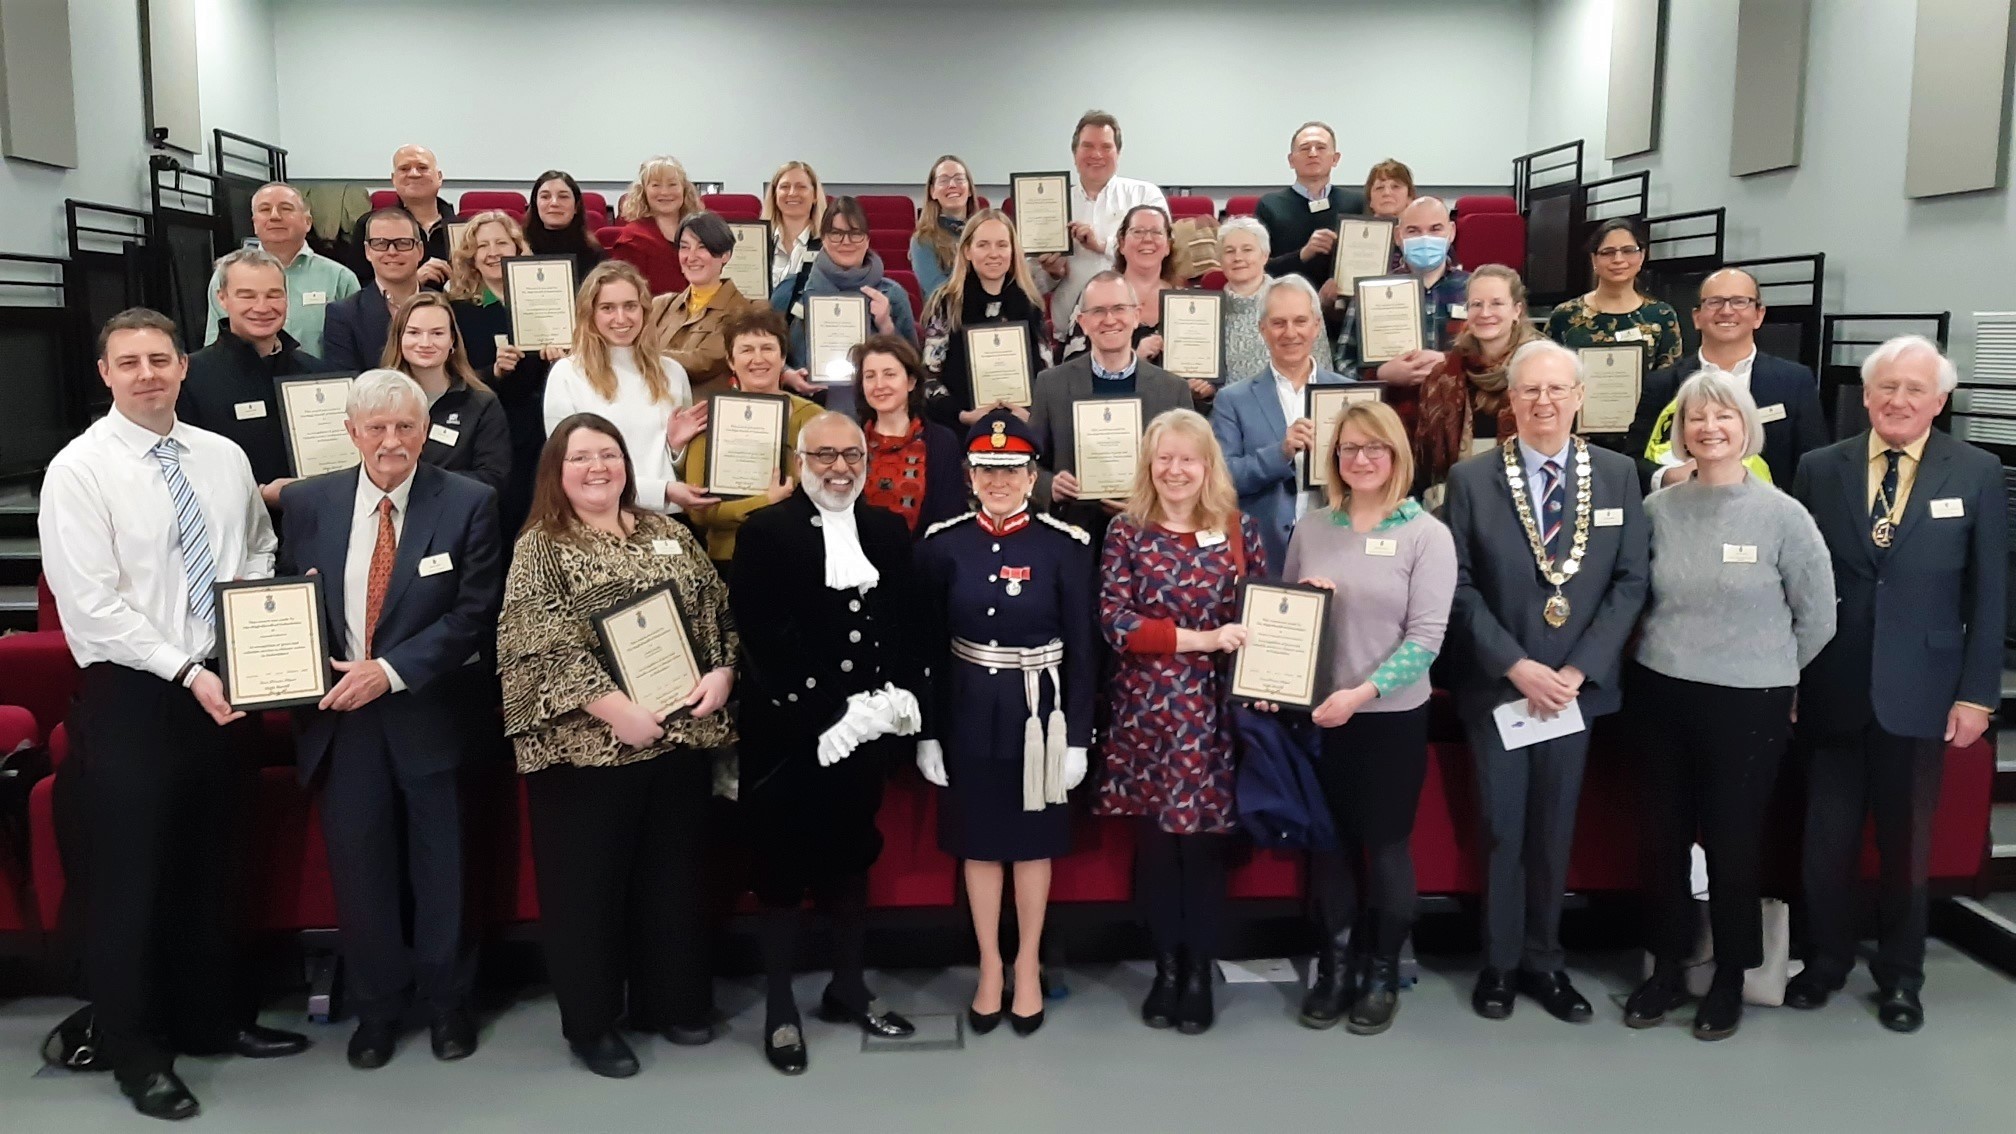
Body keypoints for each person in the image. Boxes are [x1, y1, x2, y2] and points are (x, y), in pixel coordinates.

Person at [40, 309, 310, 1120]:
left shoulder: (222, 456)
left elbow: (259, 545)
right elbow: (90, 607)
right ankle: (133, 1048)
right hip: (138, 695)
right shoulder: (79, 470)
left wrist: (251, 629)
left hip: (229, 681)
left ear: (183, 367)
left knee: (212, 863)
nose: (148, 373)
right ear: (106, 374)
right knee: (134, 883)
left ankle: (212, 1020)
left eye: (161, 358)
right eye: (130, 362)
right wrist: (186, 669)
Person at [497, 413, 737, 1078]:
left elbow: (716, 610)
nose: (597, 467)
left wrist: (722, 672)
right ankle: (594, 1023)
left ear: (627, 464)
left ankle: (674, 1001)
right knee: (588, 891)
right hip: (588, 751)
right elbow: (535, 643)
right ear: (557, 470)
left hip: (678, 739)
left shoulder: (666, 532)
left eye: (608, 454)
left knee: (673, 880)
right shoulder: (540, 545)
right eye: (581, 458)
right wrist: (613, 709)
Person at [277, 369, 503, 1069]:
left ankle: (446, 1005)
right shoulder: (309, 503)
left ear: (424, 430)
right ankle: (376, 1010)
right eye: (375, 428)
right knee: (361, 869)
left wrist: (390, 671)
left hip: (425, 710)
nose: (391, 441)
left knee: (443, 869)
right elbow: (283, 602)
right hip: (340, 717)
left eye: (405, 426)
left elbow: (473, 614)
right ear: (350, 433)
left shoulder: (468, 501)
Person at [1787, 335, 2006, 1034]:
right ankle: (1825, 962)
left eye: (1915, 389)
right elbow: (1796, 582)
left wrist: (1978, 694)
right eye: (1886, 387)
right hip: (1831, 682)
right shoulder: (1821, 468)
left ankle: (1901, 976)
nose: (1898, 400)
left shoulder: (1975, 471)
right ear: (1867, 394)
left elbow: (1992, 591)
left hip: (1925, 689)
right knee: (1826, 842)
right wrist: (1789, 677)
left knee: (1908, 845)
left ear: (1939, 401)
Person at [1622, 371, 1836, 1041]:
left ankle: (1730, 977)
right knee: (1663, 840)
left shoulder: (1782, 514)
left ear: (1747, 429)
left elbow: (1819, 616)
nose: (1709, 429)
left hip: (1751, 702)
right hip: (1661, 691)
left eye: (1724, 418)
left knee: (1733, 843)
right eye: (1695, 419)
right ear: (1681, 431)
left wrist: (1774, 670)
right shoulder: (1659, 510)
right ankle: (1664, 971)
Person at [1444, 340, 1648, 1024]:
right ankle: (1499, 966)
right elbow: (1461, 587)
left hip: (1573, 691)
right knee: (1502, 830)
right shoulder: (1472, 480)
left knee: (1554, 831)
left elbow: (1630, 582)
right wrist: (1516, 665)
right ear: (1511, 399)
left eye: (1557, 390)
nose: (1544, 402)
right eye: (1530, 391)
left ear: (1580, 397)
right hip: (1502, 687)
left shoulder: (1619, 476)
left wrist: (1575, 669)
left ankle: (1545, 962)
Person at [730, 412, 928, 1075]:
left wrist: (894, 697)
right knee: (782, 871)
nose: (839, 467)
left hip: (865, 731)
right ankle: (781, 1007)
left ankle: (849, 988)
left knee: (850, 858)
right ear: (799, 461)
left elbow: (903, 623)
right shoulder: (765, 531)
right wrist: (823, 711)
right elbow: (761, 638)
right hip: (792, 736)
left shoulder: (886, 529)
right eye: (825, 456)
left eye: (852, 454)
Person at [915, 411, 1095, 1036]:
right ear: (969, 475)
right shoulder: (943, 544)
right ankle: (989, 965)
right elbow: (929, 649)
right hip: (968, 710)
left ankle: (1027, 965)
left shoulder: (1063, 546)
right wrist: (929, 731)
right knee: (979, 842)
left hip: (1038, 715)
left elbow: (1083, 649)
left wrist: (1077, 736)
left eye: (1011, 469)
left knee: (1032, 845)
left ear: (1032, 475)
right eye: (987, 469)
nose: (999, 480)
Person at [1279, 399, 1455, 1036]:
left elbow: (1427, 638)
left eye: (1374, 447)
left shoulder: (1425, 533)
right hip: (1319, 718)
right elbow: (1289, 621)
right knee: (1327, 851)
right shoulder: (1312, 527)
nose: (1361, 458)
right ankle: (1333, 967)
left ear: (1397, 455)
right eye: (1349, 448)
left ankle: (1380, 970)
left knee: (1384, 848)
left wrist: (1362, 693)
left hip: (1388, 719)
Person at [1096, 409, 1264, 1036]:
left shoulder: (1240, 530)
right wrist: (1204, 637)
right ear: (1148, 464)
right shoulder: (1125, 533)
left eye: (1187, 458)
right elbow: (1116, 623)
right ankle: (1165, 969)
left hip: (1216, 716)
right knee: (1158, 851)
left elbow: (1265, 614)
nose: (1175, 470)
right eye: (1163, 458)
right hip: (1147, 714)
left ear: (1207, 465)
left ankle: (1199, 973)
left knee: (1203, 851)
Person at [1627, 267, 1829, 490]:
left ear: (1759, 315)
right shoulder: (1662, 384)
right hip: (1684, 513)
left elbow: (1814, 464)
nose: (1726, 311)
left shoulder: (1794, 381)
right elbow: (1632, 461)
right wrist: (1667, 476)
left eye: (1740, 301)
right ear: (1697, 317)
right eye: (1714, 302)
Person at [1028, 272, 1195, 542]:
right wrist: (1051, 486)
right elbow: (1029, 462)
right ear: (1082, 322)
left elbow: (1192, 467)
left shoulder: (1172, 390)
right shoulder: (1051, 385)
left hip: (1154, 537)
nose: (1109, 319)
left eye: (1119, 309)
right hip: (1074, 535)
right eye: (1098, 311)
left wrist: (1152, 498)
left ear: (1137, 314)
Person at [543, 261, 714, 515]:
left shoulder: (672, 372)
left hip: (668, 518)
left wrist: (677, 449)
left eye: (630, 306)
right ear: (590, 313)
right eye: (608, 308)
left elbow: (678, 466)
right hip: (600, 519)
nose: (621, 318)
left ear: (644, 310)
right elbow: (572, 467)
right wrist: (662, 491)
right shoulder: (567, 374)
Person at [1210, 275, 1356, 568]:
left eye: (1300, 321)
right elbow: (1222, 479)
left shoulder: (1349, 395)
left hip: (1339, 544)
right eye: (1278, 323)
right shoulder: (1232, 400)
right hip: (1264, 553)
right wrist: (1281, 453)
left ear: (1316, 326)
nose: (1290, 333)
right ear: (1262, 329)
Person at [178, 248, 328, 504]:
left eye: (274, 295)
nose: (262, 307)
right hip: (231, 531)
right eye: (247, 296)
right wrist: (257, 497)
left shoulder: (318, 375)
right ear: (222, 298)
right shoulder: (189, 378)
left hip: (312, 527)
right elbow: (184, 470)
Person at [678, 308, 823, 565]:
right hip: (730, 557)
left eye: (767, 348)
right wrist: (765, 501)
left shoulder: (814, 419)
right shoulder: (709, 419)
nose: (758, 359)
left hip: (800, 555)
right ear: (731, 361)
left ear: (783, 358)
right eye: (746, 350)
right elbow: (701, 511)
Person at [446, 210, 554, 532]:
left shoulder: (547, 301)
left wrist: (560, 362)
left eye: (501, 243)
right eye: (483, 246)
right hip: (490, 431)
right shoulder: (457, 310)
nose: (493, 252)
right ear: (471, 258)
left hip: (542, 429)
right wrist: (493, 372)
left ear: (518, 250)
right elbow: (450, 377)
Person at [1413, 266, 1545, 502]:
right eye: (1476, 304)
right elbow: (1425, 461)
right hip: (1459, 499)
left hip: (1531, 497)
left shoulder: (1544, 368)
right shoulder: (1443, 376)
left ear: (1517, 310)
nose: (1485, 313)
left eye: (1496, 303)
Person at [1037, 110, 1168, 346]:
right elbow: (1033, 286)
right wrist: (1051, 273)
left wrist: (1103, 245)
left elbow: (1163, 252)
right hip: (1071, 337)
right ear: (1074, 153)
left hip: (1137, 335)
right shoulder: (1051, 205)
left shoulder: (1145, 195)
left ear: (1118, 153)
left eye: (1106, 147)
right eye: (1087, 146)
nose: (1097, 154)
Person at [920, 209, 1051, 431]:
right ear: (967, 251)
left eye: (1002, 244)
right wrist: (962, 415)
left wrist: (1030, 414)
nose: (994, 253)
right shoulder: (947, 303)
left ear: (1013, 251)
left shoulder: (1031, 304)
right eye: (983, 245)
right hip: (963, 428)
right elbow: (929, 378)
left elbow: (1047, 374)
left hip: (1022, 427)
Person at [204, 181, 358, 355]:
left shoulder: (340, 278)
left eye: (285, 208)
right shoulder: (226, 276)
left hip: (318, 380)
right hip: (244, 379)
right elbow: (214, 343)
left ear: (307, 222)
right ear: (254, 223)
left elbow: (357, 345)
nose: (275, 216)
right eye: (264, 209)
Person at [769, 197, 917, 376]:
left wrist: (886, 327)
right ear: (823, 239)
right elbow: (767, 351)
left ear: (867, 240)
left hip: (874, 399)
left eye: (855, 233)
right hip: (807, 399)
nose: (846, 242)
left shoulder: (892, 295)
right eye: (836, 234)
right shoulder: (790, 291)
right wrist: (786, 375)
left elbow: (914, 369)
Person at [381, 293, 511, 496]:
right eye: (414, 333)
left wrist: (422, 482)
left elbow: (493, 478)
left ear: (452, 341)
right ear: (399, 338)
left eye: (437, 333)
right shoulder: (376, 401)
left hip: (455, 518)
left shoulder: (481, 404)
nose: (425, 343)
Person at [1335, 196, 1470, 386]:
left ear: (1451, 232)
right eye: (1413, 231)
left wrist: (1448, 363)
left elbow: (1495, 361)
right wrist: (1380, 375)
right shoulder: (1370, 293)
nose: (1425, 238)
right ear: (1398, 236)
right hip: (1392, 411)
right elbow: (1342, 364)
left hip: (1459, 409)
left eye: (1435, 229)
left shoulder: (1474, 290)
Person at [854, 334, 967, 535]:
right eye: (870, 376)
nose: (879, 385)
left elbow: (950, 522)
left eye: (889, 374)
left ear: (911, 382)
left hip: (924, 563)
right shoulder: (850, 441)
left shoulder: (942, 443)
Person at [1544, 217, 1684, 373]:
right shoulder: (1565, 315)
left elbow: (1670, 379)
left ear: (1642, 256)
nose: (1618, 259)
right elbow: (1547, 372)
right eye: (1607, 252)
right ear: (1594, 259)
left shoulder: (1662, 315)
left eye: (1628, 251)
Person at [648, 212, 761, 401]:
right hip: (653, 405)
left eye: (702, 248)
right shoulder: (660, 305)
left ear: (725, 255)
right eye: (684, 248)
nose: (691, 257)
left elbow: (702, 363)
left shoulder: (744, 312)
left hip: (701, 414)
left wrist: (640, 355)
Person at [1216, 217, 1336, 391]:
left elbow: (1322, 368)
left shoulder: (1297, 298)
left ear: (1265, 256)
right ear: (1220, 260)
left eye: (1247, 249)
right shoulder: (1209, 314)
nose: (1238, 257)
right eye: (1229, 251)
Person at [1253, 122, 1370, 288]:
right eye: (1305, 148)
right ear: (1291, 160)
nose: (1313, 153)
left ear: (1335, 159)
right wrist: (1303, 254)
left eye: (1321, 147)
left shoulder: (1357, 203)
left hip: (1343, 300)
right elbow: (1258, 267)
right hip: (1286, 300)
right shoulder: (1270, 205)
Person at [1061, 204, 1176, 363]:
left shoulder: (1184, 301)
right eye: (1138, 232)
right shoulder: (1096, 293)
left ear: (1168, 246)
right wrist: (1135, 359)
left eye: (1156, 232)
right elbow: (1073, 364)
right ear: (1121, 244)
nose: (1148, 239)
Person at [323, 207, 429, 373]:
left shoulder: (446, 306)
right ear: (368, 251)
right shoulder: (343, 315)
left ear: (420, 250)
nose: (392, 252)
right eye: (380, 244)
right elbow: (347, 384)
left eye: (403, 243)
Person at [359, 144, 458, 286]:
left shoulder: (466, 228)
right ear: (393, 179)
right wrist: (411, 283)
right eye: (404, 169)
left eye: (422, 168)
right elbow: (359, 288)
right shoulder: (370, 224)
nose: (414, 174)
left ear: (439, 177)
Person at [608, 155, 701, 296]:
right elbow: (623, 294)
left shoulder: (701, 232)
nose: (664, 192)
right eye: (656, 185)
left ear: (684, 189)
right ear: (644, 192)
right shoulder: (632, 240)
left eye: (672, 184)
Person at [910, 154, 976, 301]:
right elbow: (938, 292)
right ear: (932, 191)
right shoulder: (923, 240)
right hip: (948, 317)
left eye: (959, 179)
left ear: (970, 189)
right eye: (944, 180)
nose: (952, 185)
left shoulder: (984, 234)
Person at [524, 169, 605, 280]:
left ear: (576, 206)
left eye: (563, 197)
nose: (554, 203)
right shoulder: (521, 247)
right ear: (535, 204)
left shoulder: (593, 252)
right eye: (545, 197)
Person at [763, 160, 828, 289]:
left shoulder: (828, 246)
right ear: (774, 194)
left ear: (815, 195)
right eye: (785, 187)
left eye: (801, 187)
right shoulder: (758, 243)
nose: (792, 193)